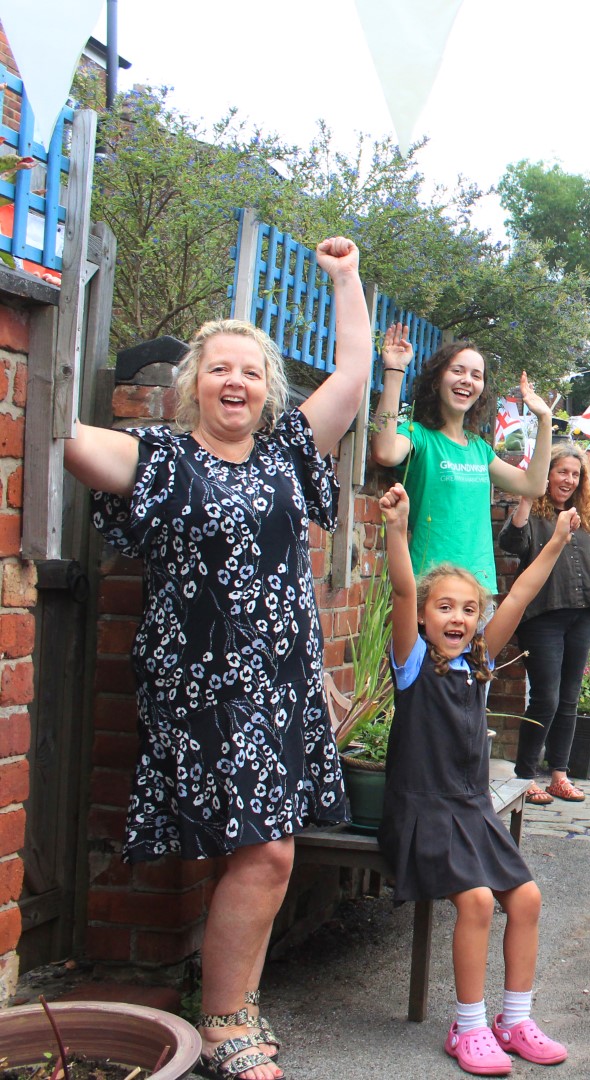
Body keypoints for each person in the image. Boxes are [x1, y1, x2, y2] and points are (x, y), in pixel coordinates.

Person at [66, 238, 371, 1080]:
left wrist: (344, 278)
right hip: (200, 685)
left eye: (248, 371)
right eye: (217, 370)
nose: (233, 382)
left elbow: (351, 373)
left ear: (267, 388)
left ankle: (232, 1000)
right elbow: (63, 427)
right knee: (270, 850)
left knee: (263, 847)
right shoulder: (159, 459)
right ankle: (228, 1018)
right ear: (190, 384)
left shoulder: (286, 453)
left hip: (280, 682)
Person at [379, 483, 573, 1075]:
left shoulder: (479, 665)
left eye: (468, 609)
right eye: (444, 607)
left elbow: (521, 596)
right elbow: (404, 586)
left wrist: (559, 541)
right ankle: (466, 1027)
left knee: (529, 898)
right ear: (422, 617)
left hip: (470, 811)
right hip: (425, 813)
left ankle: (513, 1020)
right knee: (479, 902)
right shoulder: (411, 662)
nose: (457, 618)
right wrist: (396, 527)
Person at [499, 444, 590, 805]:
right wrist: (527, 499)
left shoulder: (588, 518)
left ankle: (559, 775)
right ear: (547, 474)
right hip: (542, 616)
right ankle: (525, 776)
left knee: (569, 698)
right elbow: (513, 542)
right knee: (545, 697)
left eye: (575, 474)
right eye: (562, 471)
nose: (568, 479)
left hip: (581, 616)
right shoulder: (535, 514)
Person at [369, 330, 557, 592]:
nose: (467, 380)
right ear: (437, 379)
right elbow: (385, 452)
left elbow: (533, 485)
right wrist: (394, 371)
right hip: (431, 587)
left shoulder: (479, 448)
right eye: (458, 371)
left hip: (479, 588)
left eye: (476, 375)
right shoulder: (419, 435)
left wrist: (545, 420)